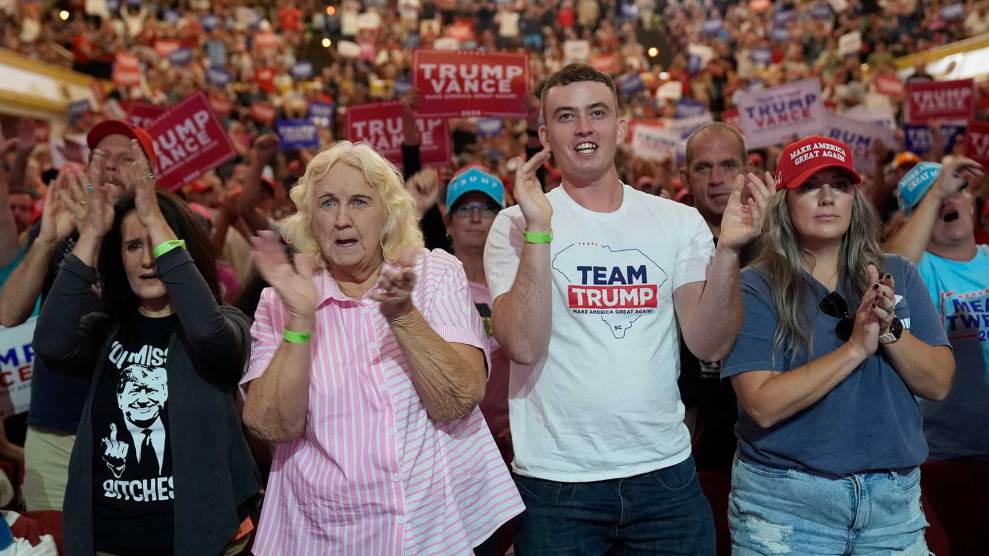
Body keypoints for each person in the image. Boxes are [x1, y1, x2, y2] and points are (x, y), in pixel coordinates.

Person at [484, 63, 769, 554]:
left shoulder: (677, 222)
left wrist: (727, 252)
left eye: (597, 112)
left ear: (620, 127)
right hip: (557, 484)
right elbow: (524, 344)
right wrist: (539, 230)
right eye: (566, 116)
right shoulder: (514, 225)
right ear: (544, 135)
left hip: (664, 479)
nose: (583, 127)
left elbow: (710, 342)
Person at [240, 141, 522, 554]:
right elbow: (273, 425)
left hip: (435, 529)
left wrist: (402, 315)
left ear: (387, 214)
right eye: (327, 203)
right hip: (323, 533)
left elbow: (457, 399)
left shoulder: (434, 275)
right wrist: (301, 320)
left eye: (358, 201)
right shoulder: (282, 299)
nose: (341, 220)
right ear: (309, 220)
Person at [721, 136, 954, 555]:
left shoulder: (896, 272)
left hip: (892, 512)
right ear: (785, 202)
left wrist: (888, 331)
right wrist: (854, 349)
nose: (827, 198)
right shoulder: (755, 284)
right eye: (811, 186)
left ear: (855, 199)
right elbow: (762, 404)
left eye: (840, 186)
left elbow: (938, 383)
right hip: (788, 510)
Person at [32, 145, 260, 556]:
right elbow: (49, 344)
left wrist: (153, 213)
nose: (148, 260)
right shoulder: (105, 330)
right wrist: (92, 235)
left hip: (200, 542)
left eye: (155, 243)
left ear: (183, 250)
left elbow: (209, 335)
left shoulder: (227, 323)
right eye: (133, 246)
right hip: (109, 543)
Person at [0, 120, 155, 512]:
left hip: (133, 429)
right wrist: (47, 242)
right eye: (99, 158)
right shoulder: (60, 226)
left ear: (150, 172)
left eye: (124, 158)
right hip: (54, 427)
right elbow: (9, 312)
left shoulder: (164, 232)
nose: (108, 167)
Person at [883, 157, 989, 552]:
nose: (947, 199)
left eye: (955, 189)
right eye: (929, 197)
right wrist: (939, 191)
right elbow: (888, 268)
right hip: (947, 460)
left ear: (973, 201)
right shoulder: (916, 273)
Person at [678, 122, 767, 473]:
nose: (716, 178)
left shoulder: (778, 244)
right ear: (685, 177)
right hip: (693, 436)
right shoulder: (667, 242)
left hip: (769, 430)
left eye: (728, 165)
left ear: (747, 170)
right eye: (703, 167)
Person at [443, 166, 515, 555]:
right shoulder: (427, 282)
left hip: (511, 444)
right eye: (464, 208)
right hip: (450, 443)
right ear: (447, 222)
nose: (474, 217)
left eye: (485, 209)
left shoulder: (517, 282)